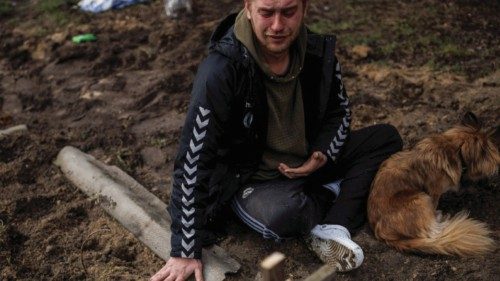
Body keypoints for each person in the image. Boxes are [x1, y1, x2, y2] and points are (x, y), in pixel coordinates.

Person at [151, 0, 403, 280]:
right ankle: (334, 192)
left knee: (385, 138)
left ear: (304, 8)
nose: (278, 26)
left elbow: (339, 111)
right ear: (248, 7)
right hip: (252, 180)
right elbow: (193, 157)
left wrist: (321, 153)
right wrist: (185, 249)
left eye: (288, 12)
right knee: (285, 214)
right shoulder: (222, 69)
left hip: (307, 163)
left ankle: (334, 225)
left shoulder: (317, 51)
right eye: (267, 13)